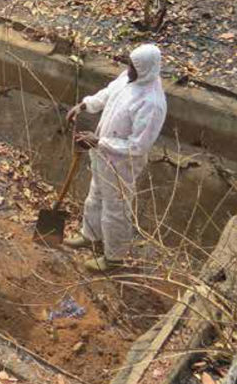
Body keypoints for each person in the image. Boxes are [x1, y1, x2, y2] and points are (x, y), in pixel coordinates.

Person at [64, 44, 167, 272]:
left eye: (133, 66)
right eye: (130, 64)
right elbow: (108, 93)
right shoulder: (129, 77)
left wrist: (100, 141)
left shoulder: (152, 104)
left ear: (145, 69)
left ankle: (113, 258)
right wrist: (84, 105)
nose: (128, 69)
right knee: (95, 195)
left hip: (122, 165)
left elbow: (137, 146)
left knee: (116, 209)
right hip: (102, 155)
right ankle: (90, 236)